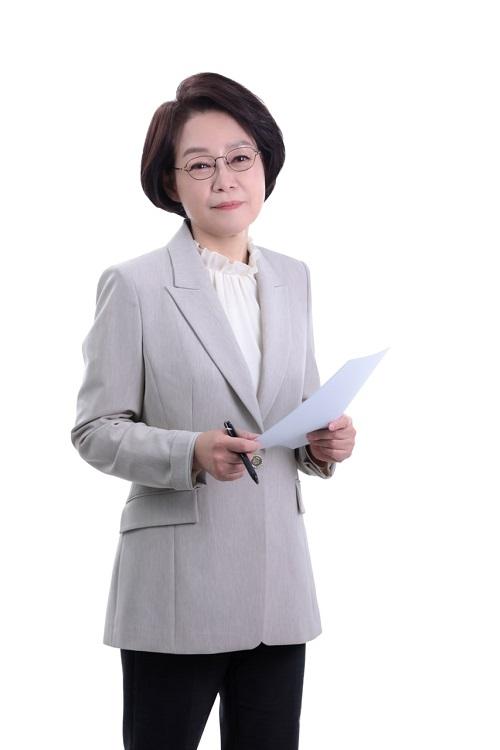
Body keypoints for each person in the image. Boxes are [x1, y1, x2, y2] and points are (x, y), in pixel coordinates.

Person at [70, 72, 356, 750]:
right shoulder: (134, 286)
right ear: (172, 184)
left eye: (240, 158)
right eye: (200, 165)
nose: (225, 179)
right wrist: (190, 451)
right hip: (177, 588)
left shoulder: (293, 277)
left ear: (264, 166)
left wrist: (324, 444)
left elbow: (295, 410)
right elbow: (94, 430)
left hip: (279, 589)